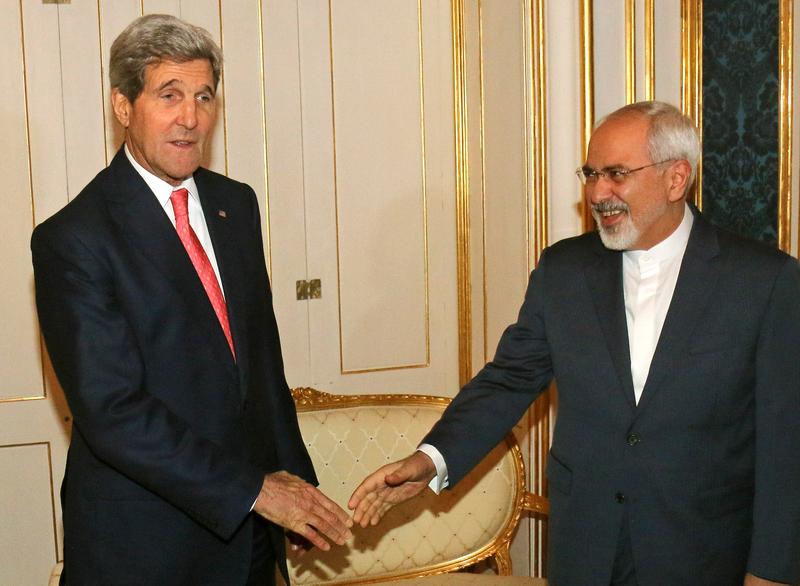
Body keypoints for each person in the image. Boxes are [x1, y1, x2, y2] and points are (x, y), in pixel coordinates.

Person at [349, 101, 800, 586]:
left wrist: (771, 572)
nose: (598, 193)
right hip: (586, 547)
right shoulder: (564, 271)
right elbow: (508, 380)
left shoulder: (763, 281)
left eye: (616, 174)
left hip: (703, 551)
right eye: (590, 174)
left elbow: (786, 441)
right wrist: (429, 460)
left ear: (676, 179)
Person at [31, 14, 351, 585]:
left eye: (204, 96)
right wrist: (256, 491)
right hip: (145, 545)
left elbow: (261, 363)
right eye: (169, 95)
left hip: (250, 535)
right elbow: (113, 411)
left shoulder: (236, 205)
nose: (191, 117)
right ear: (123, 107)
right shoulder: (73, 238)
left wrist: (297, 493)